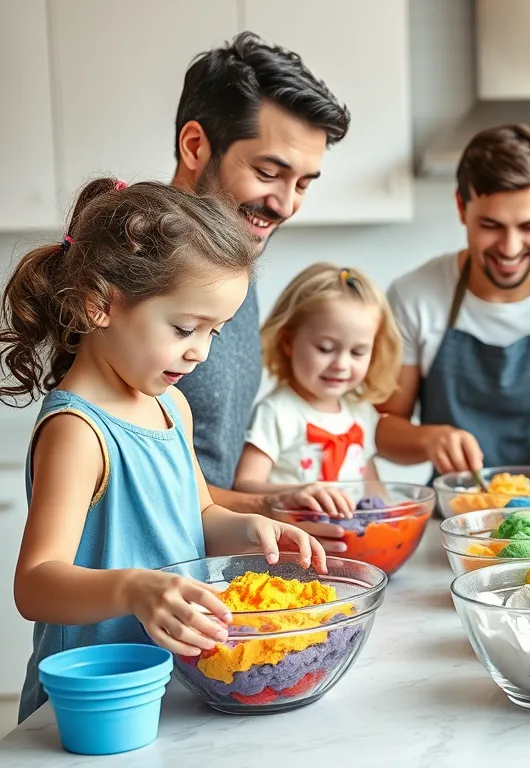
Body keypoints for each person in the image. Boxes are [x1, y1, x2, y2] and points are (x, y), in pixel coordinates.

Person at [0, 179, 328, 723]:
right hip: (96, 699)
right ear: (99, 304)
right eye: (184, 328)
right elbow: (36, 584)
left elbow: (198, 516)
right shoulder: (78, 431)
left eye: (213, 333)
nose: (198, 351)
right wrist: (134, 589)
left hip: (173, 682)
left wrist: (251, 526)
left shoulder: (171, 405)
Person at [171, 31, 352, 514]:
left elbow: (205, 470)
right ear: (195, 146)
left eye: (303, 184)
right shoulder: (139, 273)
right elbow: (134, 486)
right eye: (269, 173)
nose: (286, 205)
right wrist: (270, 508)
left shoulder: (233, 258)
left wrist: (284, 497)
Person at [377, 124, 530, 490]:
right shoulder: (414, 295)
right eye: (491, 225)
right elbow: (383, 426)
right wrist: (429, 439)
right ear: (460, 207)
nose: (511, 247)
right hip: (455, 517)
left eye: (529, 225)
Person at [233, 264, 402, 514]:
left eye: (358, 352)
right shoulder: (277, 412)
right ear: (288, 342)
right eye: (325, 348)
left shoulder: (361, 412)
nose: (341, 364)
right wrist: (293, 494)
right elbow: (245, 485)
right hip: (295, 543)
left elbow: (372, 488)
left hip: (348, 543)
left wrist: (394, 514)